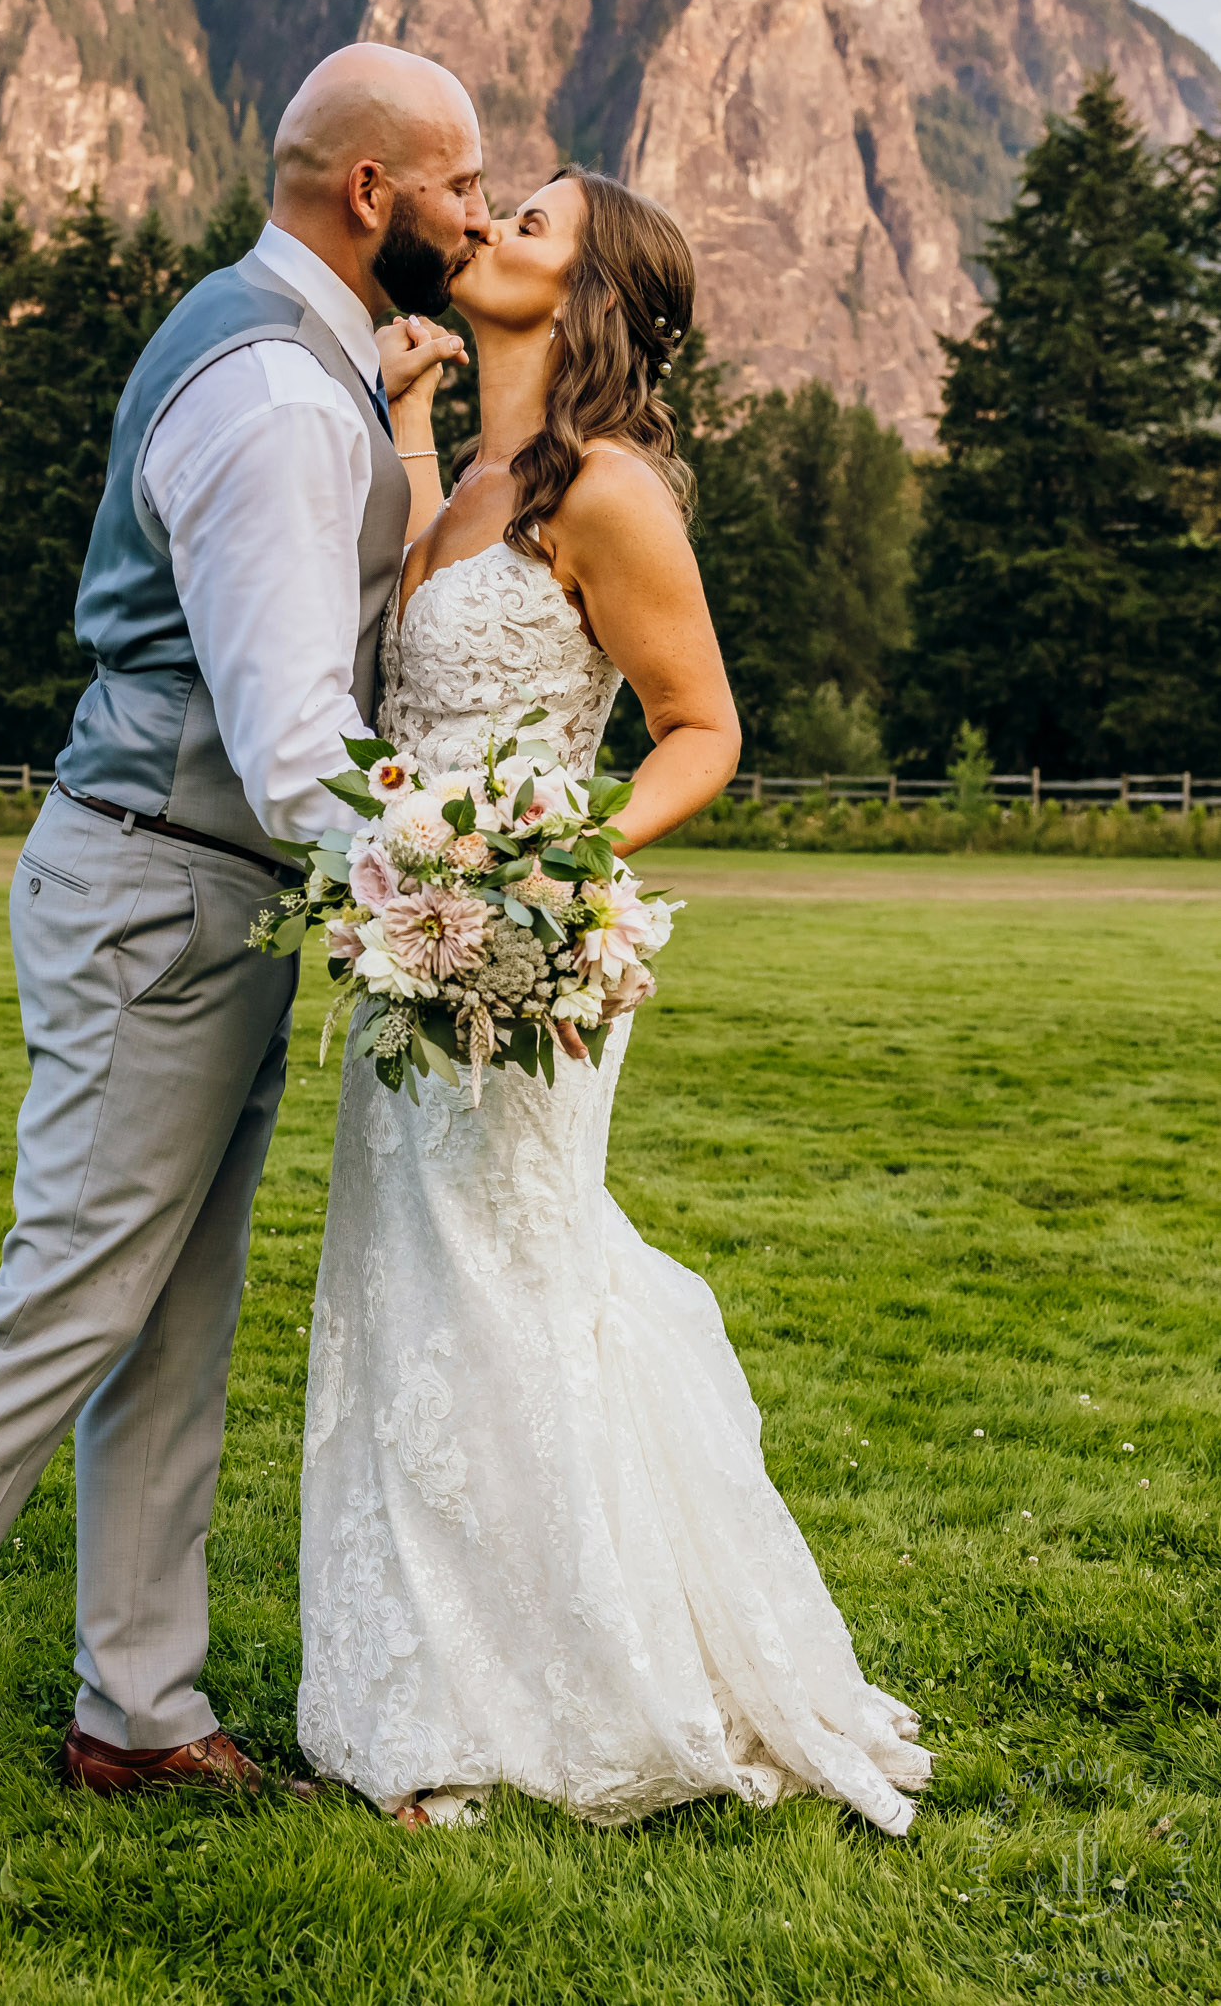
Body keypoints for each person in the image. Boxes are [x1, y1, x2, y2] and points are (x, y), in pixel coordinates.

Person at [0, 44, 485, 1839]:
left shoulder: (287, 355)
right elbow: (297, 740)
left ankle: (139, 1710)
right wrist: (466, 901)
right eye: (459, 179)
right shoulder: (280, 402)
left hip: (205, 895)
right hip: (165, 890)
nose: (476, 207)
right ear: (369, 193)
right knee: (63, 1303)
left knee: (171, 1327)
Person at [297, 166, 932, 1835]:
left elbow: (701, 726)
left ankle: (568, 1680)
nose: (494, 224)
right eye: (501, 207)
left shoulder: (614, 489)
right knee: (410, 1290)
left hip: (529, 953)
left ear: (587, 298)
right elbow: (430, 661)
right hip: (412, 946)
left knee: (505, 1284)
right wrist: (415, 423)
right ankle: (432, 1678)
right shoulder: (473, 480)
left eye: (534, 225)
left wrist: (544, 861)